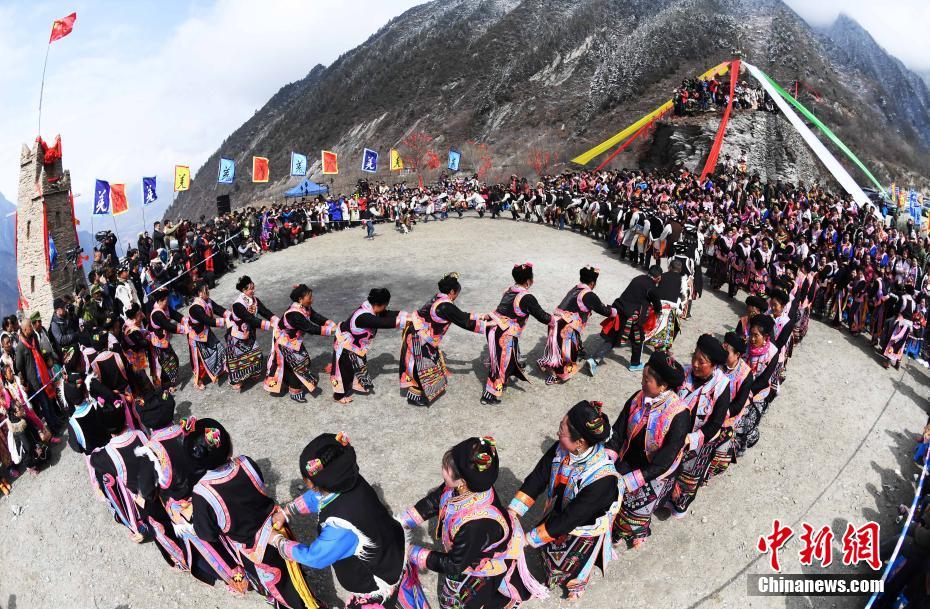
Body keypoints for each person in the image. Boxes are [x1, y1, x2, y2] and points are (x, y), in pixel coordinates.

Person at [399, 437, 547, 609]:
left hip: (477, 564)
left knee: (467, 601)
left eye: (445, 468)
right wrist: (402, 522)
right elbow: (436, 500)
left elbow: (455, 563)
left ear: (462, 481)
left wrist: (410, 552)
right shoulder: (466, 486)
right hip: (467, 551)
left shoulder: (476, 523)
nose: (442, 470)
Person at [187, 418, 321, 608]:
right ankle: (307, 598)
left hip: (255, 551)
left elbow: (206, 534)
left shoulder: (202, 494)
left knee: (280, 588)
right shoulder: (246, 463)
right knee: (293, 572)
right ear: (228, 445)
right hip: (278, 527)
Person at [270, 433, 405, 608]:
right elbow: (318, 497)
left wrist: (277, 540)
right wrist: (287, 511)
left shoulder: (339, 525)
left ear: (310, 483)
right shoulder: (349, 479)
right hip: (391, 551)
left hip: (374, 582)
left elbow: (316, 557)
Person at [509, 401, 620, 600]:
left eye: (562, 430)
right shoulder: (563, 447)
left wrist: (526, 539)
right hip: (562, 507)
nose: (558, 433)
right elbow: (539, 476)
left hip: (583, 525)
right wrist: (514, 510)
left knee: (575, 561)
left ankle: (576, 585)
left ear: (580, 442)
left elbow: (571, 518)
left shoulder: (602, 478)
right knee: (550, 551)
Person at [136, 393, 247, 592]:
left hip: (186, 507)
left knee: (209, 545)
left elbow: (146, 490)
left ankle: (234, 576)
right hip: (213, 488)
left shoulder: (153, 451)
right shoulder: (189, 429)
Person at [608, 351, 689, 547]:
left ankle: (636, 531)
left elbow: (664, 461)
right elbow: (618, 430)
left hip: (654, 470)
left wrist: (630, 480)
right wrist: (608, 458)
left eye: (647, 380)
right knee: (610, 495)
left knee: (635, 510)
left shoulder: (679, 414)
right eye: (643, 377)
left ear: (663, 387)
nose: (642, 383)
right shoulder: (638, 397)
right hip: (628, 457)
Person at [399, 273, 487, 406]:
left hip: (420, 333)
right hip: (420, 338)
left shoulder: (439, 298)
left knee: (426, 365)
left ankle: (418, 393)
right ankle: (414, 397)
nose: (457, 296)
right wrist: (489, 327)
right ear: (452, 291)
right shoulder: (445, 306)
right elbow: (464, 322)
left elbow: (459, 314)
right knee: (421, 367)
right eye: (457, 293)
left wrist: (480, 316)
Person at [666, 335, 731, 517]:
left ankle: (678, 504)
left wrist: (692, 439)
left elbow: (716, 423)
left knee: (686, 476)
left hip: (698, 440)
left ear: (713, 366)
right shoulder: (685, 374)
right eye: (694, 357)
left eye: (700, 362)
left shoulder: (721, 387)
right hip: (674, 434)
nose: (694, 364)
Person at [481, 263, 551, 404]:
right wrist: (556, 320)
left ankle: (508, 374)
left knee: (508, 358)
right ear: (528, 281)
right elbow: (542, 316)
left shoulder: (509, 289)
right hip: (504, 333)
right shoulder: (527, 297)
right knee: (501, 364)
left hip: (499, 328)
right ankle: (490, 394)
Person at [537, 266, 615, 385]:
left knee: (555, 349)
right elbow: (603, 310)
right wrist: (615, 312)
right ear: (593, 283)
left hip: (555, 322)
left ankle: (549, 366)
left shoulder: (575, 288)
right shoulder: (588, 294)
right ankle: (558, 375)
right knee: (565, 353)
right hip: (565, 327)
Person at [330, 288, 408, 404]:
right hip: (345, 345)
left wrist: (409, 316)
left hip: (355, 345)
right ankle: (339, 395)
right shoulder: (364, 317)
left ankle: (352, 383)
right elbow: (384, 322)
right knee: (344, 370)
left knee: (356, 366)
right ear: (379, 304)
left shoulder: (371, 308)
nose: (386, 308)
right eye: (385, 305)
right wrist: (407, 321)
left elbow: (388, 314)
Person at [265, 284, 336, 403]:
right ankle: (294, 390)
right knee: (298, 365)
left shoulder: (305, 307)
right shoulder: (294, 314)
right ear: (300, 299)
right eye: (309, 297)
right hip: (285, 342)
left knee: (296, 363)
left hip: (294, 341)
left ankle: (283, 383)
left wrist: (330, 323)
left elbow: (315, 316)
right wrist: (332, 331)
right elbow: (310, 328)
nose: (312, 299)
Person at [588, 265, 662, 374]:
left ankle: (594, 360)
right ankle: (635, 364)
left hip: (620, 309)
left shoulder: (638, 278)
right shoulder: (651, 286)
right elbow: (657, 302)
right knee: (638, 339)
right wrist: (658, 311)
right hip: (633, 317)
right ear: (658, 277)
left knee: (613, 337)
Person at [707, 332, 754, 478]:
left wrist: (720, 413)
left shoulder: (746, 374)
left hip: (728, 412)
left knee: (717, 442)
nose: (722, 353)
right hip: (709, 406)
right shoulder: (717, 363)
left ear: (737, 355)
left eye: (727, 351)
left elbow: (738, 404)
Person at [734, 314, 779, 453]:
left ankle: (747, 440)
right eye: (751, 334)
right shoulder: (745, 346)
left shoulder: (772, 353)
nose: (752, 339)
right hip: (740, 385)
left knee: (745, 421)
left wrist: (745, 394)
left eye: (756, 335)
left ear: (765, 336)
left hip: (758, 392)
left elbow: (763, 379)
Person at [226, 276, 276, 392]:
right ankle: (235, 380)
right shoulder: (238, 305)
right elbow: (250, 319)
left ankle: (251, 374)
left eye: (253, 287)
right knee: (238, 361)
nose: (253, 290)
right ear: (244, 290)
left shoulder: (254, 300)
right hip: (237, 337)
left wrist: (277, 321)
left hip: (249, 333)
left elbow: (265, 311)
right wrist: (269, 325)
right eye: (250, 289)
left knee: (256, 354)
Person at [15, 315, 61, 432]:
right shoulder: (20, 347)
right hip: (34, 381)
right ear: (25, 330)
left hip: (43, 375)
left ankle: (56, 421)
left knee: (50, 401)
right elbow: (18, 366)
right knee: (44, 405)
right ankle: (53, 428)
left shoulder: (34, 337)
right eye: (30, 326)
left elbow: (39, 352)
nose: (32, 327)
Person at [186, 281, 228, 389]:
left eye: (208, 290)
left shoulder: (207, 301)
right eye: (206, 291)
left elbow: (219, 309)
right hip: (196, 337)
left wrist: (231, 315)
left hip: (206, 332)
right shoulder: (195, 307)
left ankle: (220, 370)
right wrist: (225, 321)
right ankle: (198, 380)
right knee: (200, 361)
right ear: (200, 293)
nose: (208, 292)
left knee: (219, 350)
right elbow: (207, 320)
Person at [148, 289, 185, 391]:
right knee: (166, 364)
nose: (167, 303)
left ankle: (170, 383)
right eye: (166, 301)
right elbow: (168, 326)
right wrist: (184, 329)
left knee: (173, 361)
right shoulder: (157, 314)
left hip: (164, 341)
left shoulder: (165, 307)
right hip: (158, 343)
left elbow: (176, 315)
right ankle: (166, 386)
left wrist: (186, 320)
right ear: (160, 300)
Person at [882, 284, 916, 369]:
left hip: (901, 322)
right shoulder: (914, 302)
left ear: (906, 290)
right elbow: (912, 313)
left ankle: (888, 362)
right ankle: (898, 363)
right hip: (908, 325)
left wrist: (896, 312)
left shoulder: (903, 298)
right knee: (902, 343)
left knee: (894, 340)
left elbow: (897, 309)